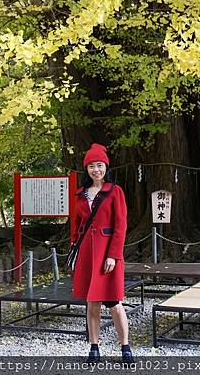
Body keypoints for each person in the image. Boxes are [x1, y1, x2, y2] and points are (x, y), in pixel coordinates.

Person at [70, 143, 133, 363]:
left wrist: (113, 255)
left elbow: (121, 225)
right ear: (86, 169)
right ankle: (94, 347)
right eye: (91, 166)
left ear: (106, 166)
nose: (96, 170)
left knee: (114, 302)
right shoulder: (80, 194)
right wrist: (74, 248)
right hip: (87, 253)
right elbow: (76, 225)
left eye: (99, 165)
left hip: (108, 254)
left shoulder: (115, 191)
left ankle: (125, 346)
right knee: (92, 303)